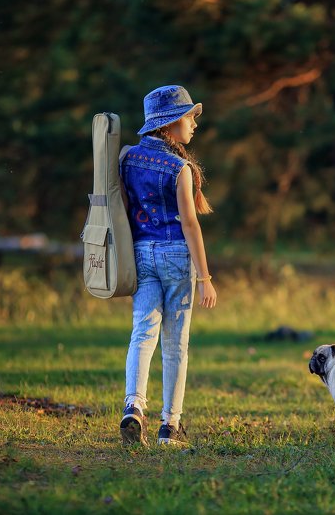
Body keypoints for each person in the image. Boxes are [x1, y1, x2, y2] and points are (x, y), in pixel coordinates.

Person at [119, 85, 217, 446]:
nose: (194, 124)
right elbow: (190, 224)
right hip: (177, 256)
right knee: (176, 345)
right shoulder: (180, 168)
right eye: (190, 117)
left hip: (142, 253)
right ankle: (169, 426)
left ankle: (133, 407)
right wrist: (205, 277)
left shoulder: (127, 160)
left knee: (142, 333)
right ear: (172, 124)